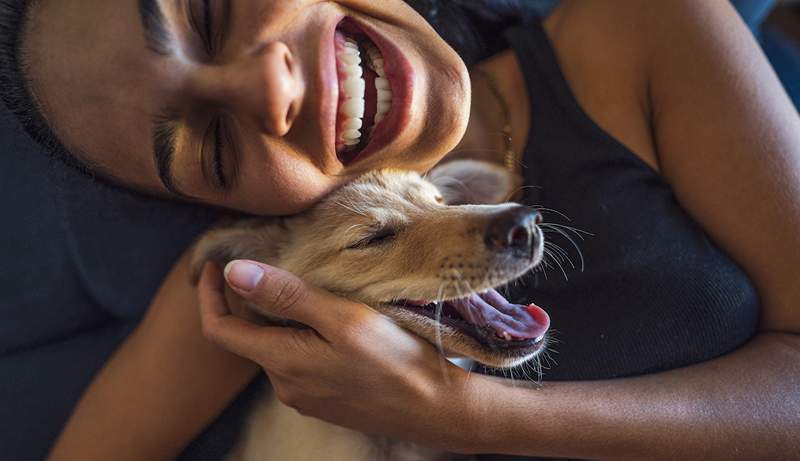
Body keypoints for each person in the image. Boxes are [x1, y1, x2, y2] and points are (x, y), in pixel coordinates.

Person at [1, 0, 798, 459]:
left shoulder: (646, 32)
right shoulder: (268, 276)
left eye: (209, 11)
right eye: (212, 142)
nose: (270, 86)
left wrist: (456, 410)